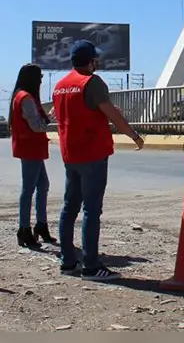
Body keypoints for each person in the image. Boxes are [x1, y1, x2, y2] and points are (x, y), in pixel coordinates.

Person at [52, 40, 143, 281]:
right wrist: (134, 135)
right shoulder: (91, 83)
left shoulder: (60, 86)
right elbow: (113, 115)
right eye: (95, 60)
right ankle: (91, 266)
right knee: (91, 210)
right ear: (91, 61)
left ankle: (67, 261)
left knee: (69, 207)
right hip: (92, 154)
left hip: (70, 155)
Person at [9, 63, 56, 248]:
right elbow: (36, 126)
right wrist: (51, 118)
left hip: (30, 147)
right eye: (40, 76)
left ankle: (40, 225)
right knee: (28, 189)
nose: (42, 80)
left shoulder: (20, 96)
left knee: (42, 185)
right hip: (31, 148)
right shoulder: (26, 98)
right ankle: (24, 229)